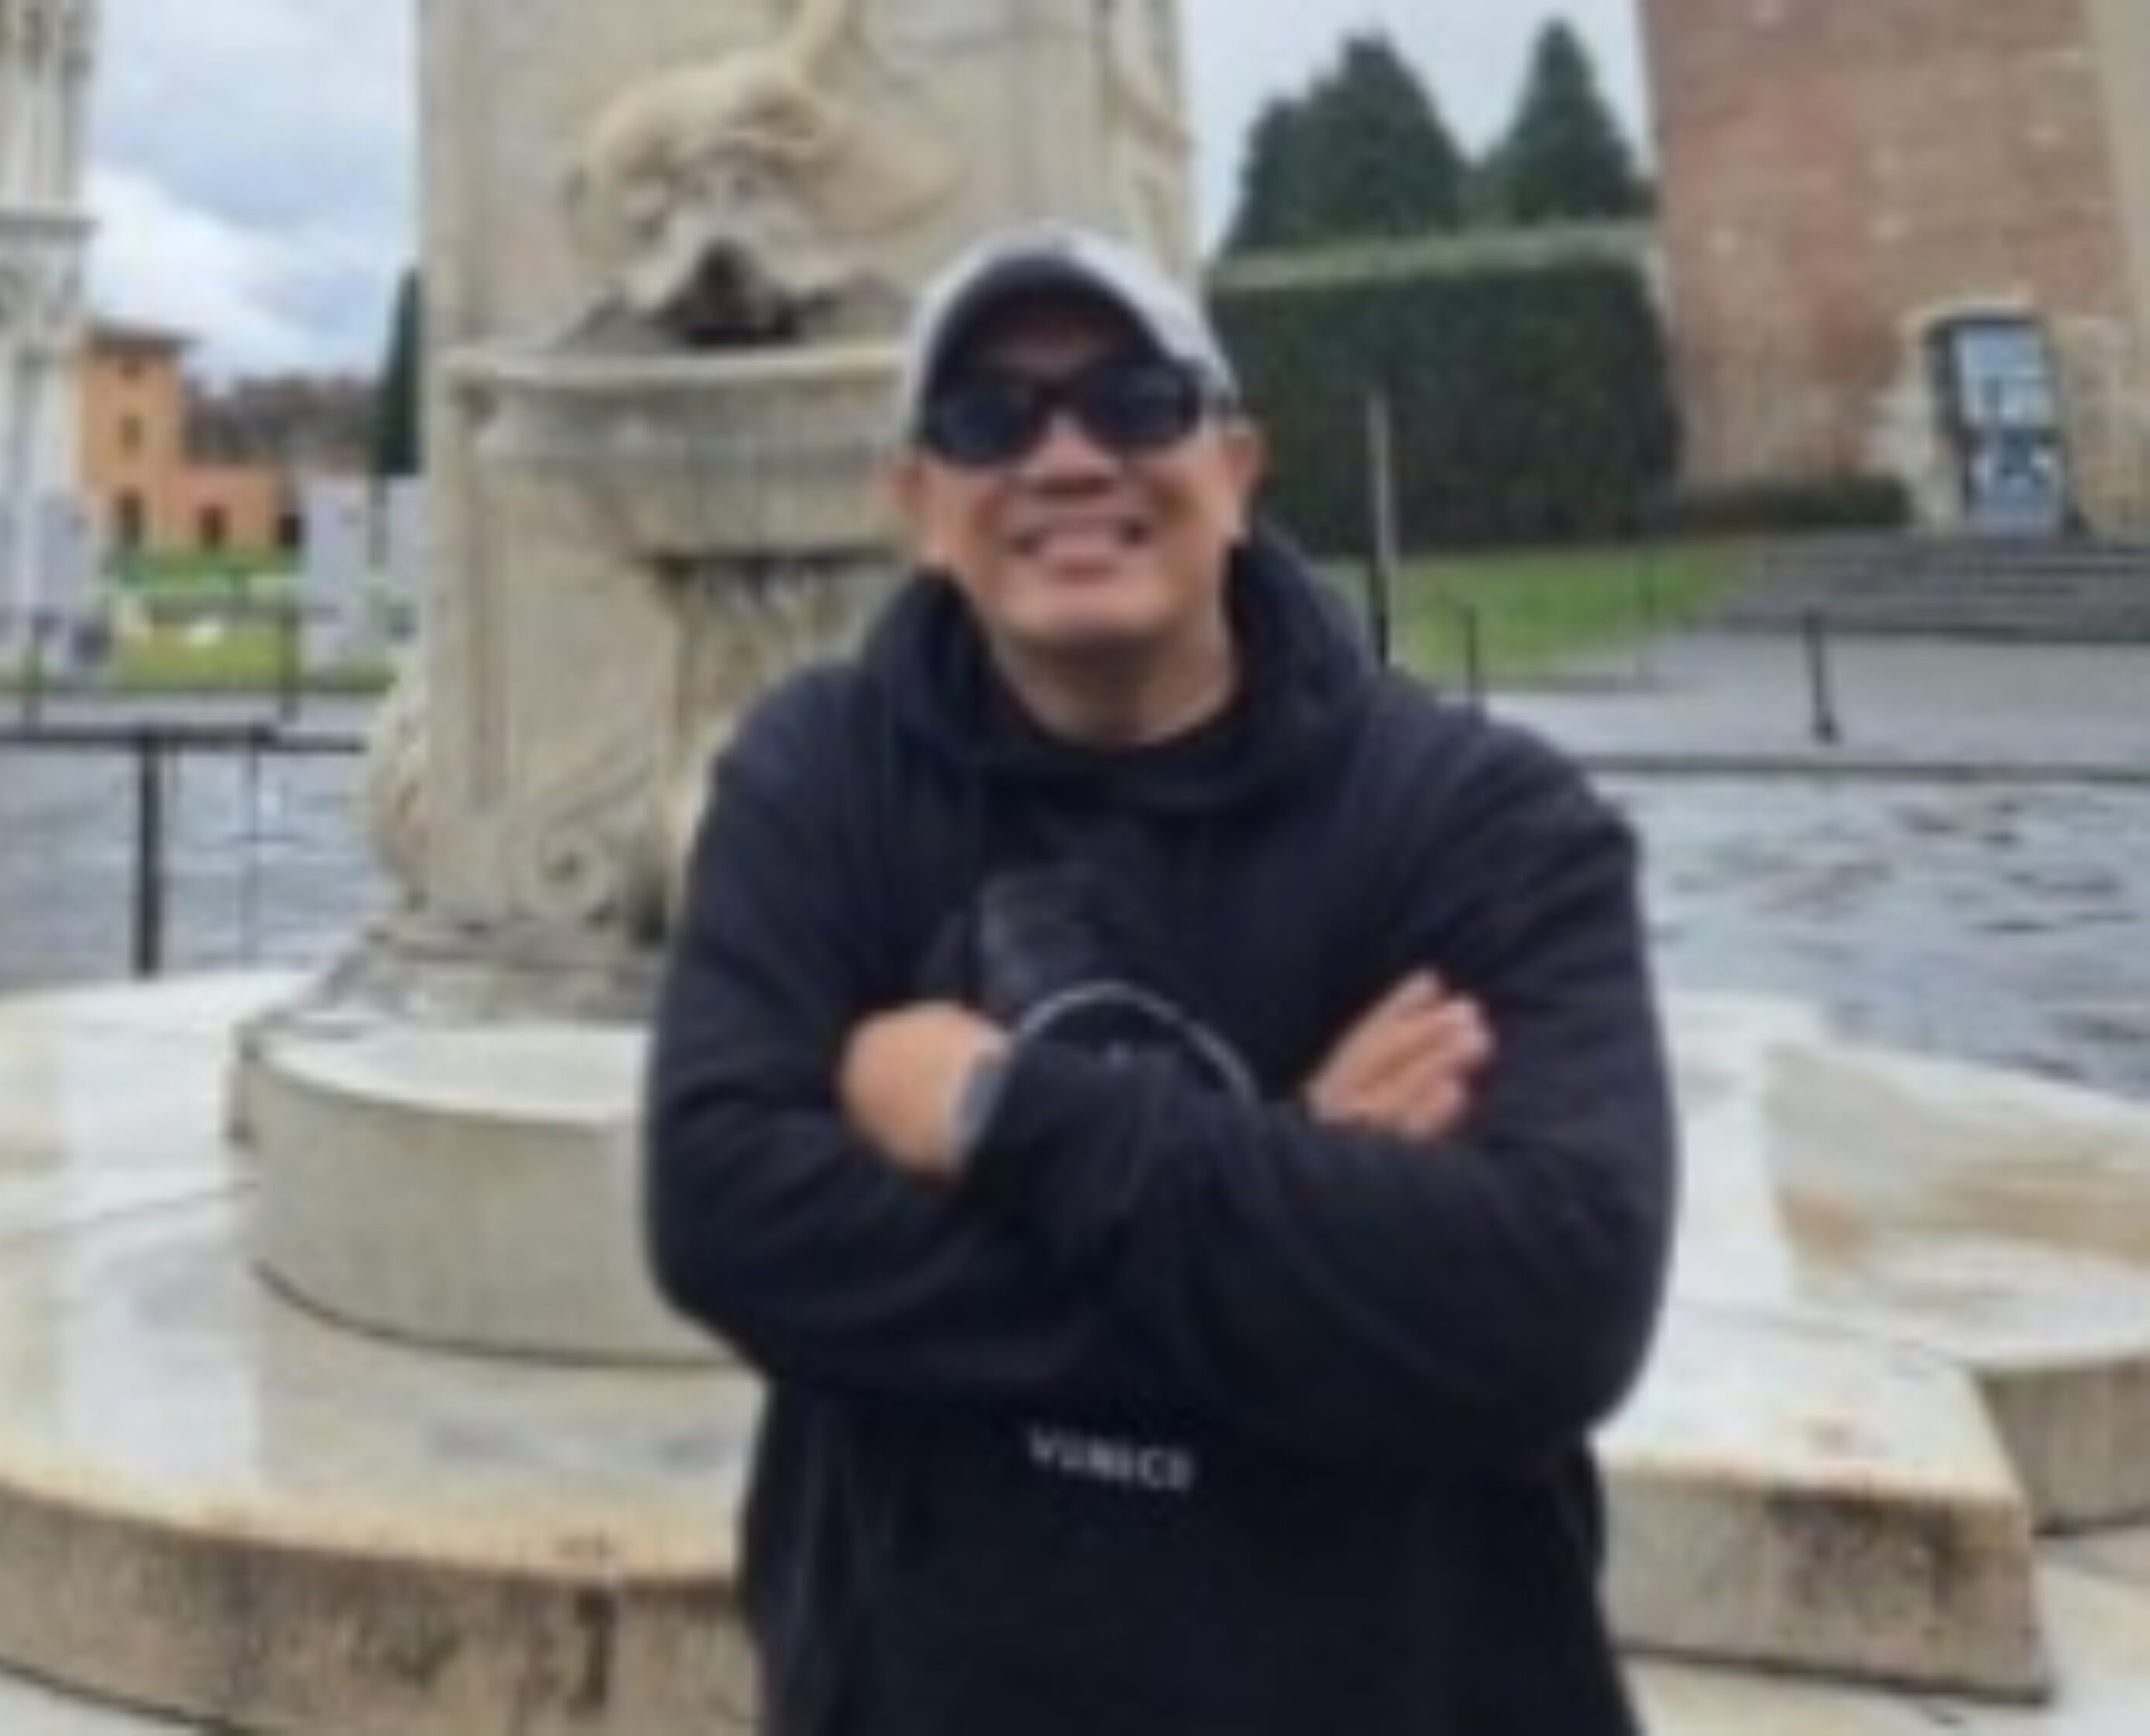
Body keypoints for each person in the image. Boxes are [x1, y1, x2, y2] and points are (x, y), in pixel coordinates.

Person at [646, 221, 1678, 1734]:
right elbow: (722, 1212)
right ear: (918, 504)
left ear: (1236, 470)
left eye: (1136, 402)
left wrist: (1002, 1116)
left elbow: (1554, 1304)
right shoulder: (822, 778)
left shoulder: (1480, 818)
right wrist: (1300, 1174)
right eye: (987, 419)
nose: (1067, 460)